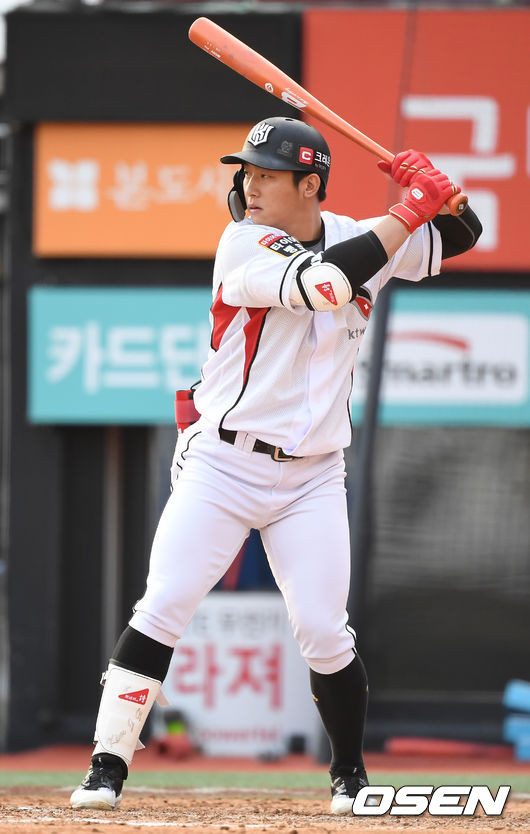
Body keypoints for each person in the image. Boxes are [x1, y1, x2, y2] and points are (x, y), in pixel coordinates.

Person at [70, 116, 482, 815]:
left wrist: (449, 199)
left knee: (324, 628)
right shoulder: (242, 243)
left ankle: (349, 775)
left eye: (267, 174)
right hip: (223, 464)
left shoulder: (362, 235)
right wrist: (411, 207)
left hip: (313, 475)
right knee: (164, 601)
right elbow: (328, 284)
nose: (250, 186)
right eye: (249, 173)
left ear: (310, 185)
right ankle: (106, 767)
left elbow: (459, 240)